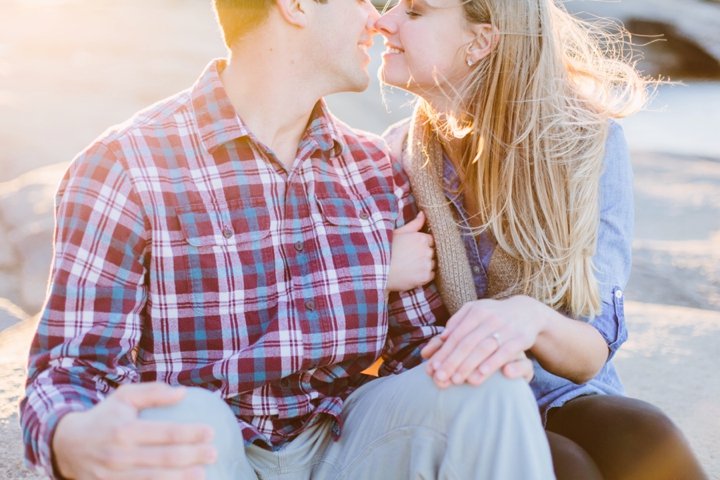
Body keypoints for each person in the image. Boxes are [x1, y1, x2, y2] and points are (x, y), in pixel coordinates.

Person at [19, 0, 556, 479]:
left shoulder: (375, 170)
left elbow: (414, 352)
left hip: (342, 443)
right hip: (209, 450)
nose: (377, 17)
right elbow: (70, 368)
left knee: (486, 389)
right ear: (297, 6)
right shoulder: (127, 166)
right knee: (179, 415)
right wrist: (70, 439)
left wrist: (474, 356)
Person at [376, 0, 708, 478]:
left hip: (562, 388)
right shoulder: (389, 161)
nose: (384, 20)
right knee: (564, 465)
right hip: (461, 396)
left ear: (481, 42)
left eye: (415, 11)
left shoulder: (586, 146)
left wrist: (530, 319)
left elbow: (591, 353)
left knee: (643, 431)